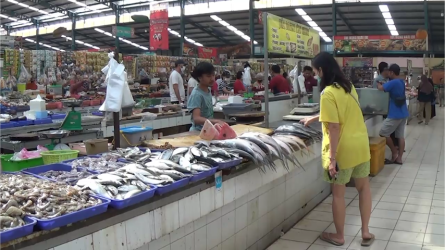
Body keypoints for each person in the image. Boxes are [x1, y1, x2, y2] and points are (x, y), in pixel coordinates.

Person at [307, 52, 373, 247]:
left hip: (342, 149)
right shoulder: (348, 86)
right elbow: (341, 111)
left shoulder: (327, 93)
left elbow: (334, 126)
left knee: (338, 194)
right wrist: (313, 118)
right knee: (364, 188)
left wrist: (332, 158)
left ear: (321, 70)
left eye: (316, 71)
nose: (316, 75)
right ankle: (366, 231)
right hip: (360, 145)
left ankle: (339, 235)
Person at [377, 64, 409, 165]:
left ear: (392, 72)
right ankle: (399, 158)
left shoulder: (393, 82)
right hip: (403, 112)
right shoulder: (401, 82)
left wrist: (378, 84)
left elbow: (381, 88)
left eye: (389, 72)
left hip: (394, 114)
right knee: (400, 136)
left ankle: (394, 153)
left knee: (383, 133)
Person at [187, 62, 227, 131]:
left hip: (207, 130)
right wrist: (215, 121)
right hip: (197, 132)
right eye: (208, 76)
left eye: (213, 75)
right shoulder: (197, 94)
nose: (212, 79)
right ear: (200, 77)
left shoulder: (208, 90)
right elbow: (196, 118)